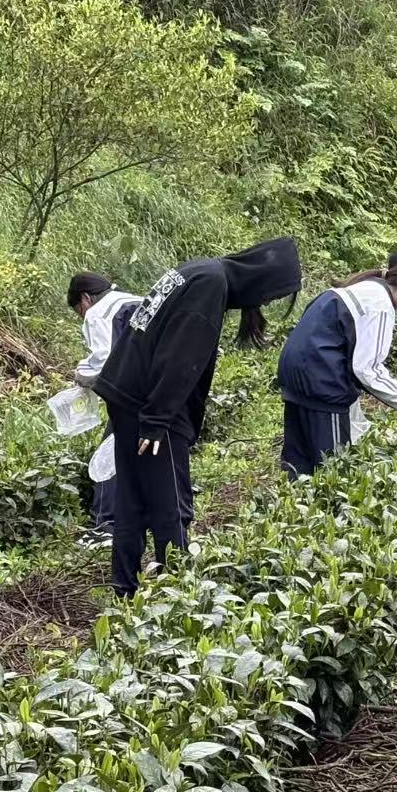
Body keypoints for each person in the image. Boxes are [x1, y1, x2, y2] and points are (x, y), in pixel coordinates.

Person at [94, 239, 301, 595]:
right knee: (169, 505)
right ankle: (175, 599)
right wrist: (158, 420)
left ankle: (124, 588)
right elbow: (180, 356)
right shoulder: (211, 285)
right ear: (260, 280)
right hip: (151, 406)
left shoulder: (200, 270)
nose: (265, 303)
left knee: (131, 499)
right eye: (269, 295)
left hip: (127, 394)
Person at [277, 259, 397, 476]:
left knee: (299, 459)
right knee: (331, 466)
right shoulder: (381, 304)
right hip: (320, 382)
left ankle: (295, 501)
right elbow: (367, 368)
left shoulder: (365, 288)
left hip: (295, 372)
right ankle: (329, 507)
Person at [67, 272, 142, 541]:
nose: (82, 316)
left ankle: (105, 526)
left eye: (79, 310)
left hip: (132, 395)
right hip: (163, 392)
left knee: (108, 458)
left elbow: (103, 362)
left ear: (85, 298)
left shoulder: (98, 312)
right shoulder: (135, 299)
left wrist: (81, 377)